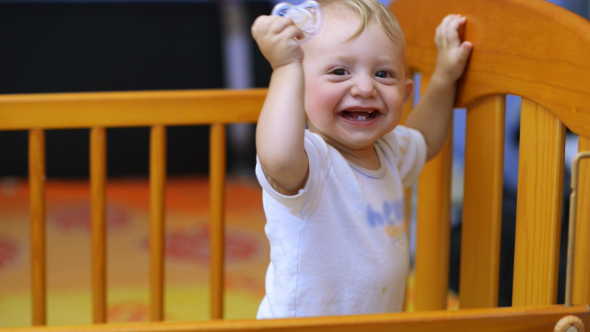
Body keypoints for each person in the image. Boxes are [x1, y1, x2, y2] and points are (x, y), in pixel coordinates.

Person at [251, 0, 472, 318]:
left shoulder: (389, 150)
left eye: (383, 74)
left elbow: (426, 139)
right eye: (339, 72)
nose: (366, 87)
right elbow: (279, 160)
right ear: (299, 89)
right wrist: (285, 69)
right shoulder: (313, 160)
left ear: (405, 93)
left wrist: (444, 78)